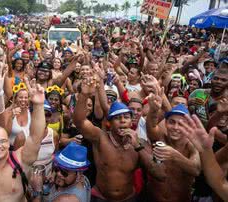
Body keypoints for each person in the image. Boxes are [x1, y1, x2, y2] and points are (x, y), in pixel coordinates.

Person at [73, 74, 166, 202]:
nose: (122, 121)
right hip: (100, 197)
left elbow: (160, 174)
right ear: (109, 124)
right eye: (117, 118)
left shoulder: (140, 143)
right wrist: (83, 95)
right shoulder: (100, 138)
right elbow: (80, 122)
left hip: (129, 198)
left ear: (131, 122)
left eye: (126, 117)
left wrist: (138, 146)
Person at [146, 100, 201, 201]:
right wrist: (153, 110)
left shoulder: (192, 146)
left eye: (181, 124)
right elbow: (151, 126)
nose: (176, 127)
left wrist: (175, 156)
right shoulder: (160, 139)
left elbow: (196, 170)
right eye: (172, 122)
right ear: (166, 123)